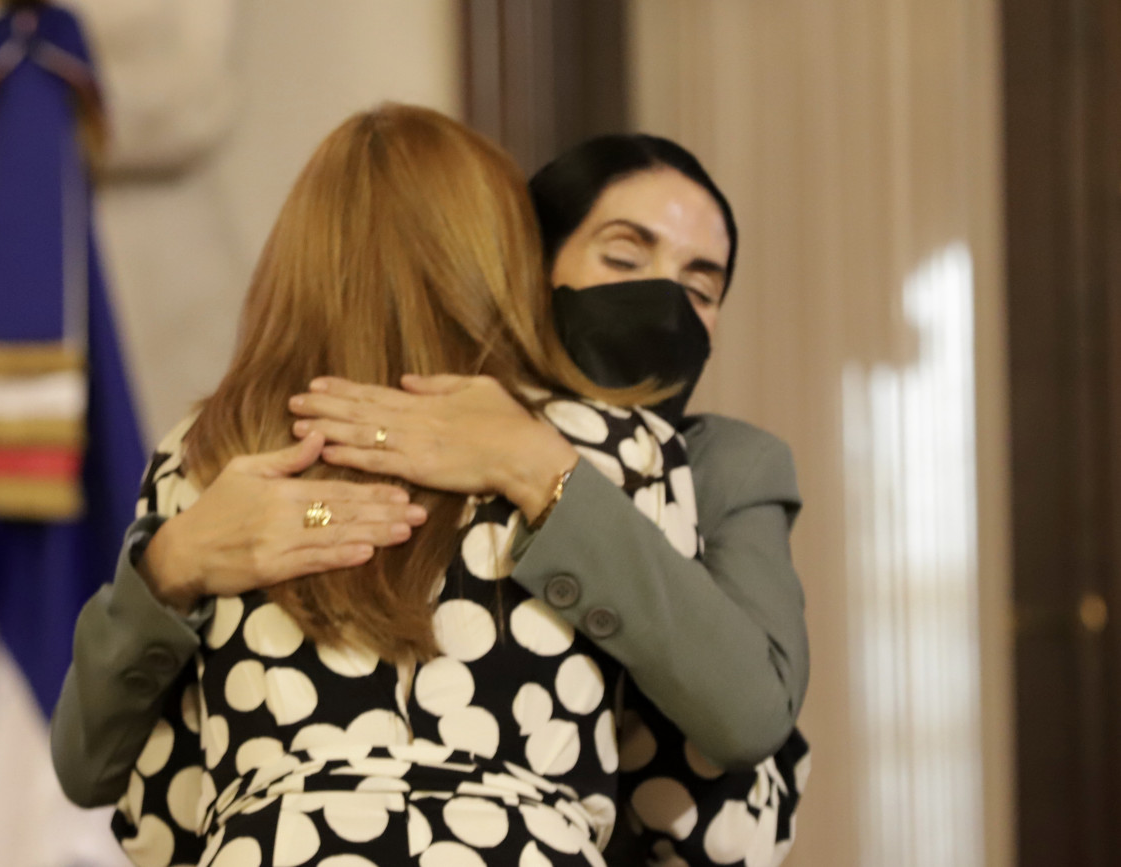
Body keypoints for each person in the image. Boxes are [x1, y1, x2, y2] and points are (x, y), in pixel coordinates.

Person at [53, 123, 809, 864]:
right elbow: (681, 776)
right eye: (623, 256)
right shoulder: (622, 451)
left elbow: (150, 789)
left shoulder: (211, 452)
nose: (659, 299)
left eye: (700, 286)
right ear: (515, 258)